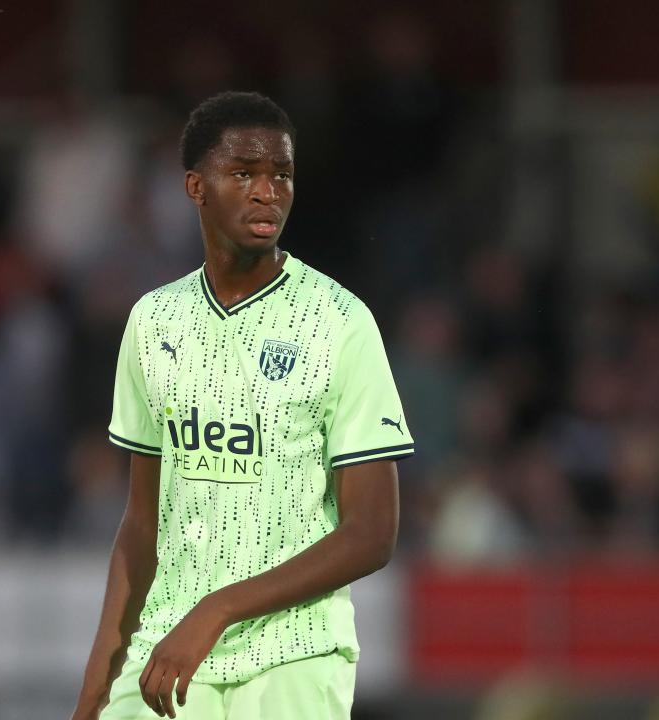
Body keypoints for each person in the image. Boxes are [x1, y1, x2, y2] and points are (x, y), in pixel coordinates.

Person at [72, 91, 414, 720]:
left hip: (294, 657)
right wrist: (96, 685)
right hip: (165, 652)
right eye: (243, 174)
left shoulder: (340, 322)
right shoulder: (153, 321)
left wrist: (218, 608)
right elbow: (141, 523)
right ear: (196, 188)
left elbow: (372, 534)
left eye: (280, 174)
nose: (267, 192)